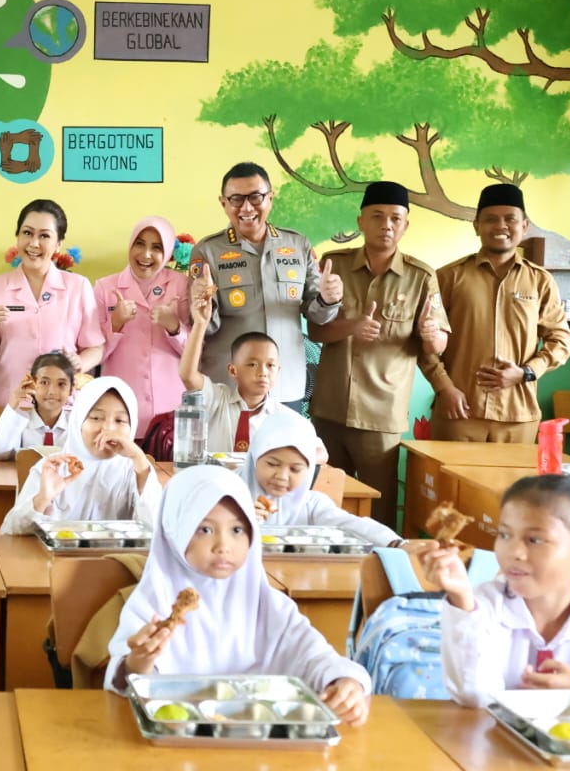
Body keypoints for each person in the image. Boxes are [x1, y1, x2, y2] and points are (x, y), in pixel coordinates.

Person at [105, 466, 371, 726]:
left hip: (260, 740)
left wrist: (345, 682)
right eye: (205, 529)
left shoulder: (269, 606)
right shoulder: (152, 605)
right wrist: (138, 663)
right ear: (174, 531)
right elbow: (123, 683)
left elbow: (316, 657)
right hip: (175, 737)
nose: (223, 546)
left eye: (237, 530)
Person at [308, 182, 450, 527]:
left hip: (381, 415)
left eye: (395, 218)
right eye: (377, 216)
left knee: (378, 512)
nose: (386, 225)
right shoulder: (334, 265)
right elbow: (316, 330)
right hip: (330, 410)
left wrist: (431, 335)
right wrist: (351, 326)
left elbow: (437, 345)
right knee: (323, 506)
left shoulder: (420, 277)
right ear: (361, 222)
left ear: (405, 225)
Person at [189, 162, 342, 407]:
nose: (247, 207)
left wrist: (328, 299)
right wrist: (201, 307)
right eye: (236, 199)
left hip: (285, 384)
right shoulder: (208, 251)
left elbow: (318, 316)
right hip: (230, 387)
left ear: (270, 198)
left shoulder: (297, 245)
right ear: (223, 203)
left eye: (256, 197)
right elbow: (206, 327)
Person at [427, 184, 570, 442]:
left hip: (518, 414)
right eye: (491, 219)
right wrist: (444, 388)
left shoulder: (540, 281)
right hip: (459, 412)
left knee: (514, 472)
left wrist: (526, 372)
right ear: (476, 226)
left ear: (524, 226)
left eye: (510, 219)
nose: (501, 226)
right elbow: (423, 341)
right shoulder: (448, 277)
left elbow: (561, 340)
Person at [420, 474, 570, 706]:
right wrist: (461, 598)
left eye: (534, 540)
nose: (514, 552)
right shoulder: (483, 604)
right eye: (504, 535)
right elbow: (473, 697)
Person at [0, 199, 103, 433]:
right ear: (17, 237)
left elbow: (96, 348)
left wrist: (79, 362)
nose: (34, 243)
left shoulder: (78, 287)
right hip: (7, 402)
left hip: (63, 407)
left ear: (58, 244)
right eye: (27, 233)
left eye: (44, 236)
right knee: (2, 457)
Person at [0, 376, 160, 535]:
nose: (107, 428)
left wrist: (140, 461)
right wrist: (43, 498)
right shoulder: (52, 468)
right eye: (96, 418)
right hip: (55, 552)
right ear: (78, 422)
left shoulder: (134, 471)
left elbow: (159, 531)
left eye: (120, 420)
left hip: (113, 552)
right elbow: (9, 532)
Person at [94, 216, 191, 438]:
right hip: (120, 411)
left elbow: (196, 354)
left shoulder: (180, 285)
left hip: (171, 414)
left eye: (156, 248)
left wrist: (174, 326)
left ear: (167, 252)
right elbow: (94, 355)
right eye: (139, 244)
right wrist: (115, 324)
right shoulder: (104, 288)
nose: (146, 254)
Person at [244, 416, 402, 547]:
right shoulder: (234, 497)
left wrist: (395, 543)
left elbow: (347, 523)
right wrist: (237, 520)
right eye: (272, 464)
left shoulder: (312, 504)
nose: (282, 476)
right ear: (254, 458)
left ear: (309, 470)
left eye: (295, 469)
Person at [180, 288, 301, 454]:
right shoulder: (217, 399)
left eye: (270, 365)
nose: (263, 372)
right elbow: (188, 375)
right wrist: (200, 324)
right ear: (232, 370)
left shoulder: (282, 417)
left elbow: (319, 450)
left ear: (278, 371)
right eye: (252, 364)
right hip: (216, 471)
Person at [0, 352, 74, 460]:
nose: (52, 391)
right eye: (44, 382)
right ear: (32, 384)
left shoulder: (77, 424)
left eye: (61, 384)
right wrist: (13, 403)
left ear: (71, 389)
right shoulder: (18, 421)